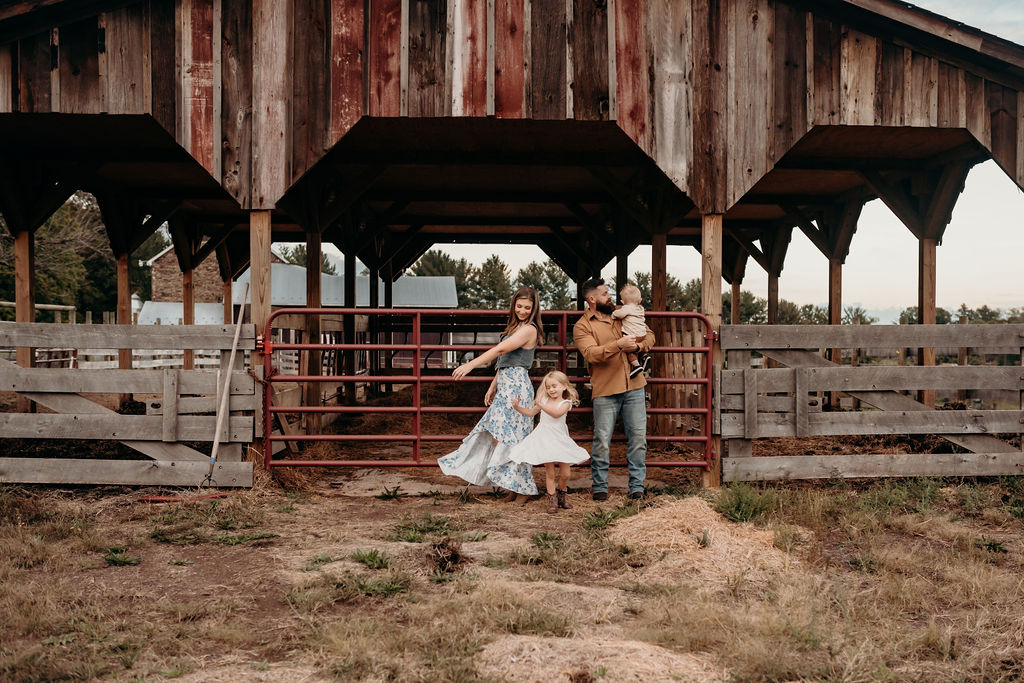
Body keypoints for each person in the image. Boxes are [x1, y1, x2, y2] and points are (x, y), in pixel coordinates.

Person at [438, 286, 544, 501]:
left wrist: (471, 365)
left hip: (516, 388)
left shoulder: (529, 329)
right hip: (505, 384)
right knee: (504, 438)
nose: (522, 310)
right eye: (519, 306)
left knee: (516, 438)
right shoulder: (515, 327)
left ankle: (522, 491)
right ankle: (511, 489)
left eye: (527, 308)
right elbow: (504, 361)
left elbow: (500, 351)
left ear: (534, 310)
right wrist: (493, 385)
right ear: (514, 305)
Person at [573, 277, 655, 501]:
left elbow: (650, 335)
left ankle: (637, 487)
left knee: (638, 439)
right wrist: (618, 345)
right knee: (602, 440)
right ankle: (600, 488)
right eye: (605, 293)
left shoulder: (623, 313)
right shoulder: (583, 326)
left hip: (634, 386)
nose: (610, 297)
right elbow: (590, 353)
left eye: (609, 293)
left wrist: (638, 346)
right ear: (592, 299)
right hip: (606, 389)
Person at [508, 371, 590, 514]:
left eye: (554, 386)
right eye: (548, 387)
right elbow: (532, 412)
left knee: (566, 474)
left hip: (560, 438)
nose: (551, 390)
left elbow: (556, 413)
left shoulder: (566, 403)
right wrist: (517, 407)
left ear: (564, 387)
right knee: (550, 472)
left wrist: (540, 404)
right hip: (544, 438)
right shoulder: (543, 400)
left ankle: (561, 494)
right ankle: (552, 500)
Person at [612, 283, 651, 379]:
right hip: (642, 334)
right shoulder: (640, 308)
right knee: (638, 345)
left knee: (628, 350)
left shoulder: (626, 308)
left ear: (622, 301)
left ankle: (636, 365)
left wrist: (613, 314)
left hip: (632, 335)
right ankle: (645, 355)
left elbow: (619, 314)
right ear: (640, 300)